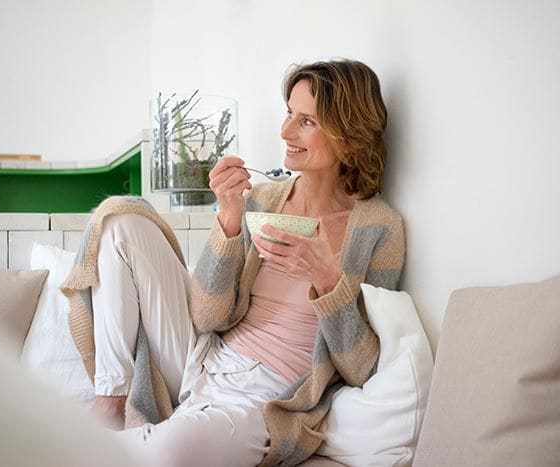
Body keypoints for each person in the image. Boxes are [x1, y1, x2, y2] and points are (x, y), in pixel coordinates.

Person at [62, 58, 405, 466]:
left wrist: (327, 277)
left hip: (264, 394)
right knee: (121, 219)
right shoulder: (262, 200)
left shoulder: (379, 229)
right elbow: (206, 316)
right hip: (203, 356)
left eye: (306, 121)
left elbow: (362, 368)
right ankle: (112, 400)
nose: (285, 132)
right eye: (288, 114)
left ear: (348, 137)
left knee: (171, 451)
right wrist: (227, 218)